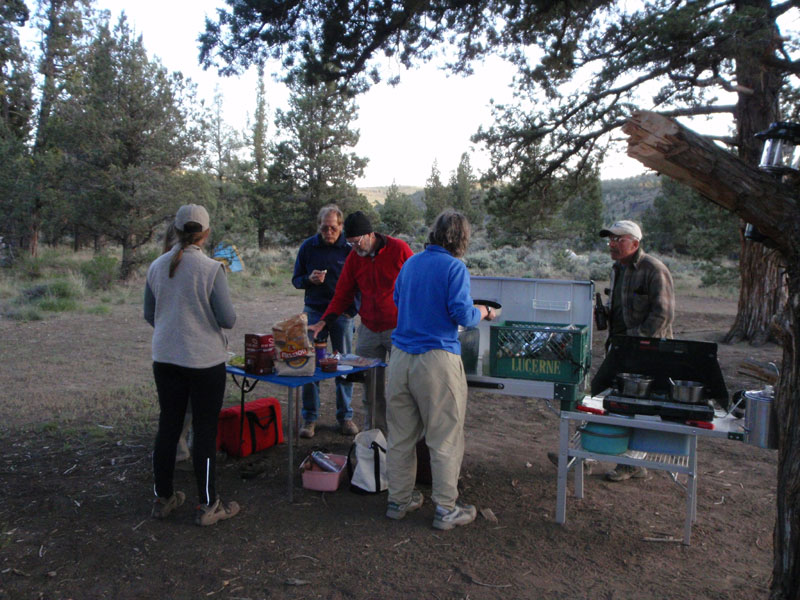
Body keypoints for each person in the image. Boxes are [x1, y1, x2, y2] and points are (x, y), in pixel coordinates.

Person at [384, 210, 496, 530]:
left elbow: (397, 298)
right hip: (436, 359)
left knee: (401, 435)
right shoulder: (454, 267)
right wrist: (484, 311)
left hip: (401, 358)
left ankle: (398, 500)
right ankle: (446, 509)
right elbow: (463, 314)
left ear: (434, 233)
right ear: (461, 238)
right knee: (444, 436)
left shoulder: (410, 263)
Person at [144, 204, 240, 526]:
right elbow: (227, 319)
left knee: (169, 427)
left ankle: (163, 497)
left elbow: (149, 314)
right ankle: (208, 505)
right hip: (203, 361)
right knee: (205, 430)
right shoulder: (212, 269)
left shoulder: (156, 266)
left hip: (166, 358)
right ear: (206, 233)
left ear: (175, 230)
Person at [308, 210, 413, 434]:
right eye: (350, 244)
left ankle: (401, 436)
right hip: (368, 328)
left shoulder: (399, 250)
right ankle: (374, 435)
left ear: (369, 235)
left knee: (399, 386)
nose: (353, 248)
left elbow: (417, 283)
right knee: (370, 387)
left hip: (398, 328)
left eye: (356, 243)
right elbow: (342, 294)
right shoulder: (354, 258)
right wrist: (324, 321)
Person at [598, 219, 675, 481]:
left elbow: (663, 314)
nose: (612, 244)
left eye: (618, 239)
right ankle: (598, 455)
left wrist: (636, 340)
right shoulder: (616, 268)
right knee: (614, 398)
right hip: (620, 346)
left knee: (638, 404)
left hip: (647, 349)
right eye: (610, 239)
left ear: (635, 243)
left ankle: (632, 463)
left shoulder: (653, 269)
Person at [292, 205, 358, 438]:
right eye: (324, 228)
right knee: (309, 364)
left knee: (344, 364)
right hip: (314, 311)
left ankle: (345, 417)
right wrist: (309, 280)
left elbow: (359, 282)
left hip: (342, 314)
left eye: (333, 228)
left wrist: (352, 310)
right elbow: (296, 280)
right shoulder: (308, 247)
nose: (328, 232)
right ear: (318, 226)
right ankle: (309, 418)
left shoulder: (350, 250)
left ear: (341, 226)